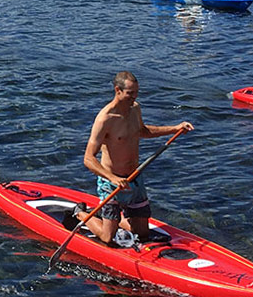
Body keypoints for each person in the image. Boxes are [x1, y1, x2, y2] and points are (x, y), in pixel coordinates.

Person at [78, 71, 193, 248]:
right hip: (112, 182)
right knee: (107, 237)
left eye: (136, 92)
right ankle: (80, 213)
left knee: (142, 233)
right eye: (130, 93)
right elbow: (88, 158)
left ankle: (113, 219)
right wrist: (113, 179)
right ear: (117, 90)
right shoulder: (105, 119)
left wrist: (175, 128)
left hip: (134, 179)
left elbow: (143, 132)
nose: (134, 97)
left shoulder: (135, 109)